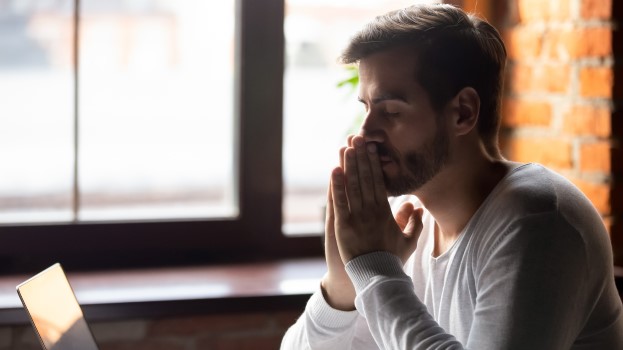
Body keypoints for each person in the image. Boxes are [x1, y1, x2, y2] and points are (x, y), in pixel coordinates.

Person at [280, 4, 623, 350]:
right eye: (367, 108)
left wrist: (376, 271)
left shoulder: (540, 222)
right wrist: (342, 285)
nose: (365, 132)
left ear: (463, 112)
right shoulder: (408, 219)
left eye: (391, 111)